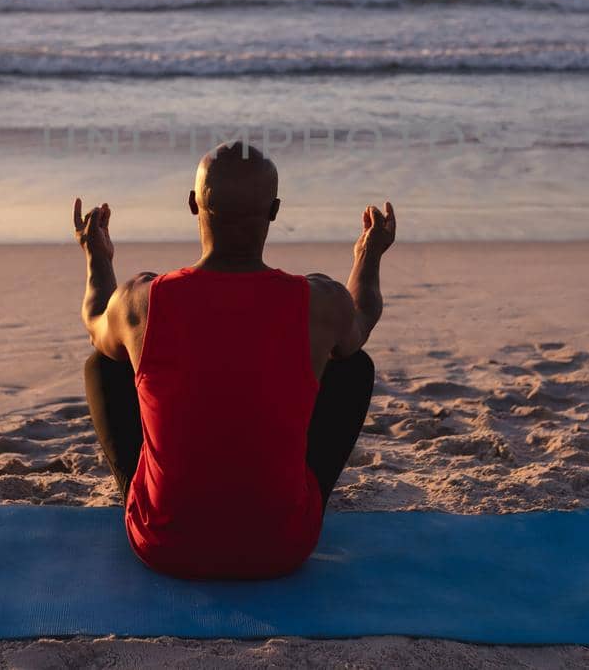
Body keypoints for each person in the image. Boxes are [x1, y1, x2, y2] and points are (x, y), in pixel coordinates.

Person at [75, 141, 395, 580]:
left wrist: (97, 257)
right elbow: (363, 316)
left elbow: (95, 319)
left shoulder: (142, 300)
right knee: (352, 362)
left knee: (104, 361)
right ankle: (296, 500)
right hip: (283, 547)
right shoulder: (318, 301)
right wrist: (368, 255)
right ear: (275, 210)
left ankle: (140, 496)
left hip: (164, 546)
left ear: (193, 204)